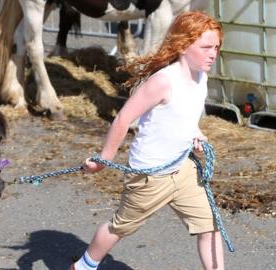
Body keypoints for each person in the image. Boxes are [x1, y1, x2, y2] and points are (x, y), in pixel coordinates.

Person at [72, 11, 225, 270]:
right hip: (149, 176)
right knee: (119, 227)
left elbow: (184, 115)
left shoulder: (201, 77)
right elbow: (122, 119)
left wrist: (196, 133)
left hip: (184, 170)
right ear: (183, 46)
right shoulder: (163, 82)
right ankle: (85, 265)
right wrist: (103, 160)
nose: (213, 53)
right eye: (206, 47)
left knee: (209, 225)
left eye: (217, 47)